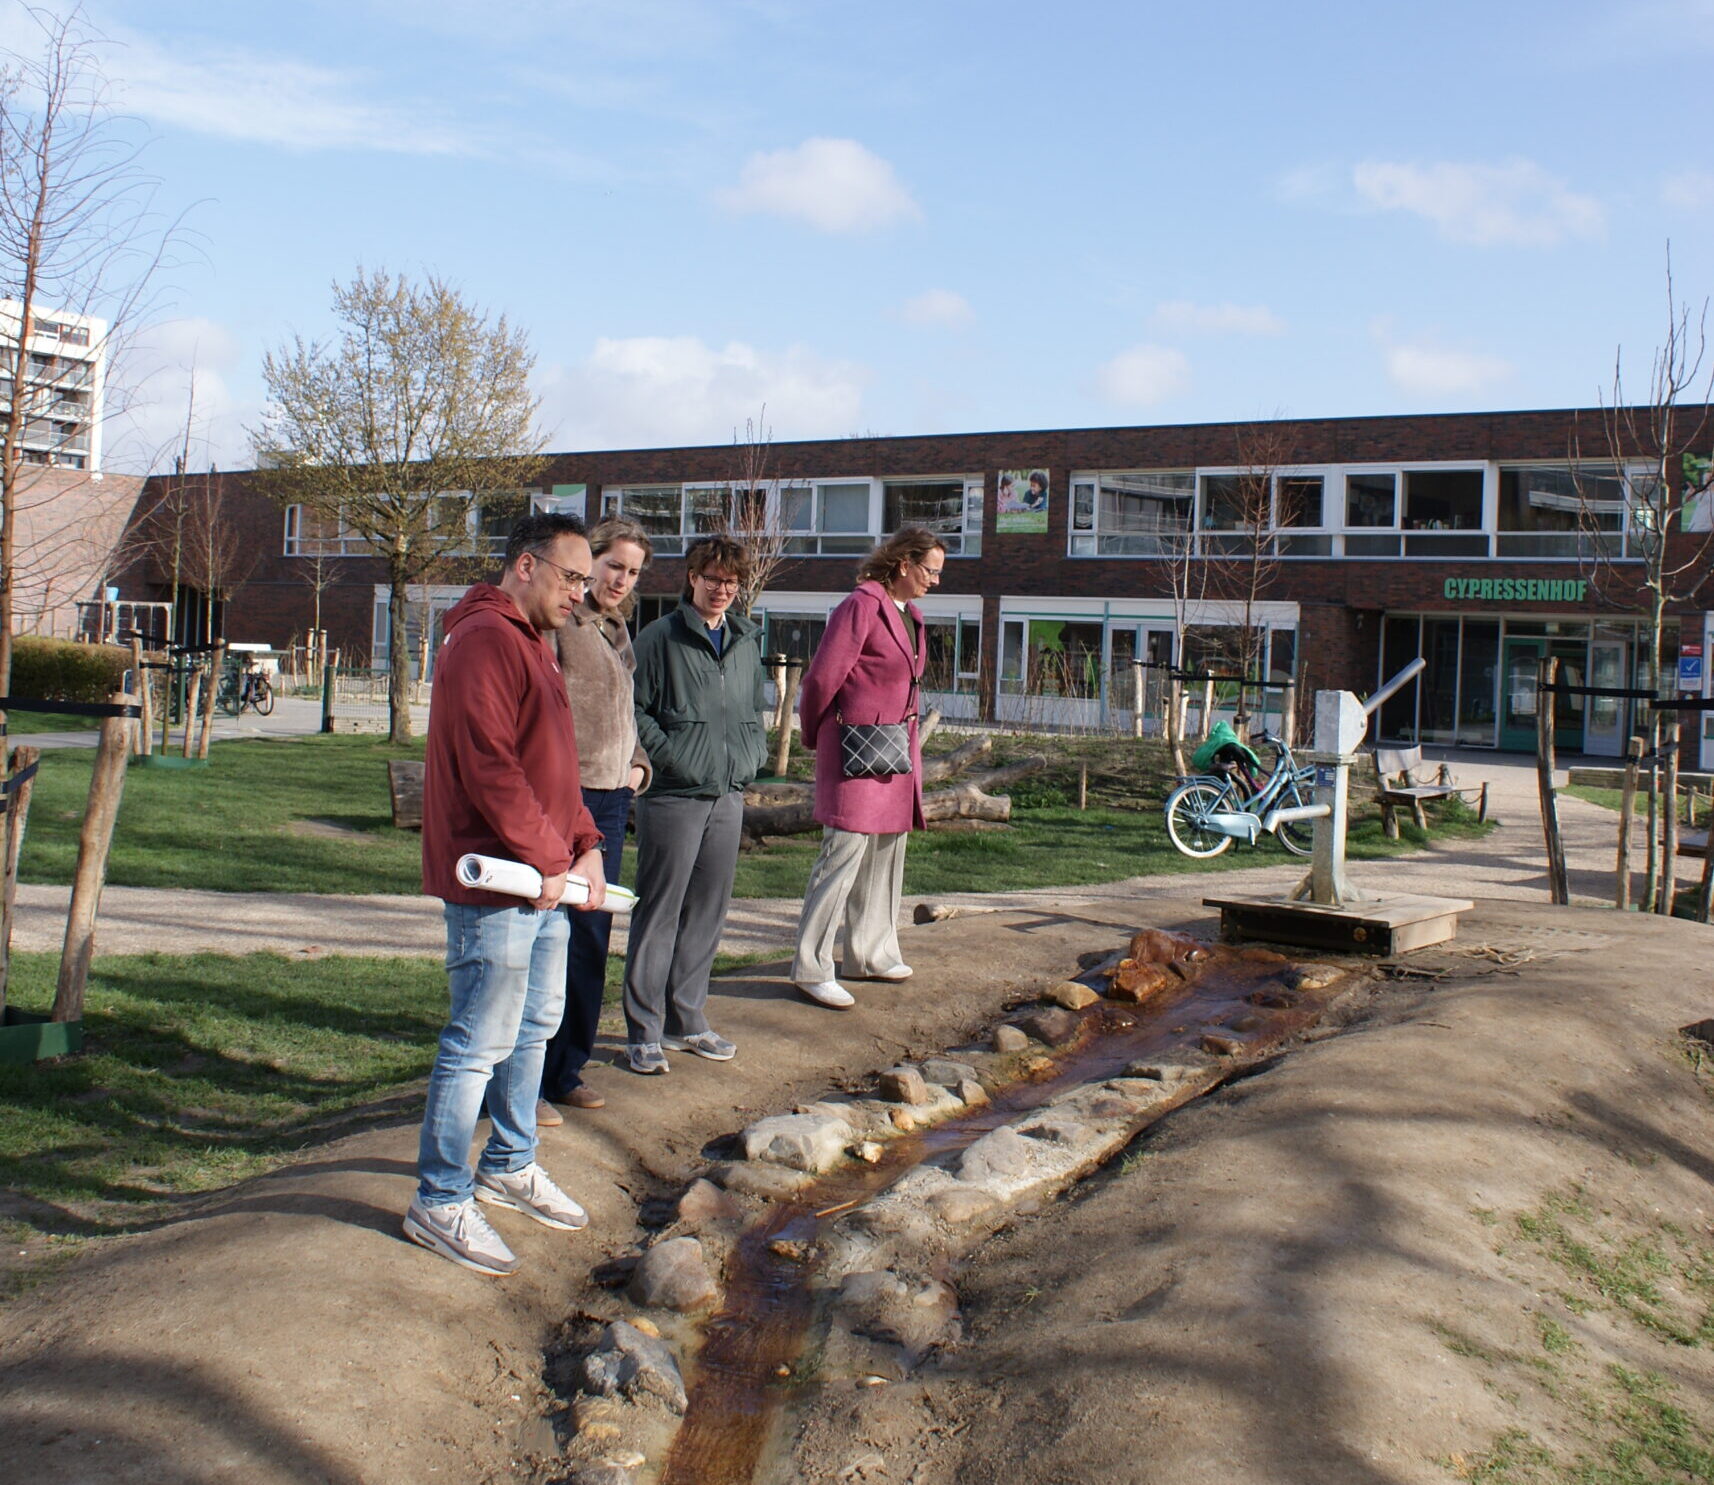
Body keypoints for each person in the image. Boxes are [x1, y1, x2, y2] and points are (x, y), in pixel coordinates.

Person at [405, 512, 608, 1277]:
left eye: (586, 582)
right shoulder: (486, 638)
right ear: (526, 565)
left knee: (534, 1024)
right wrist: (550, 853)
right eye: (571, 578)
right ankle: (441, 1194)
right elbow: (491, 765)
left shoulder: (532, 641)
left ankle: (511, 1159)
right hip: (497, 878)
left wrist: (582, 842)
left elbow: (554, 765)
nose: (580, 595)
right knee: (478, 1038)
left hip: (543, 876)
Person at [622, 535, 767, 1073]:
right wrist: (675, 760)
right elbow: (634, 712)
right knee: (659, 913)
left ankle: (690, 1022)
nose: (721, 590)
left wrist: (749, 758)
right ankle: (643, 1031)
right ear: (693, 578)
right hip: (673, 797)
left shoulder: (746, 640)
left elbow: (753, 707)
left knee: (708, 912)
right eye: (712, 579)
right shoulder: (659, 638)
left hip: (728, 796)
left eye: (730, 582)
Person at [791, 527, 943, 1008]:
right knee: (842, 858)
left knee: (885, 856)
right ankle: (811, 967)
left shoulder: (911, 615)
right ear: (903, 564)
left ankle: (870, 953)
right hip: (855, 752)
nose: (935, 581)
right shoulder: (859, 606)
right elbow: (821, 678)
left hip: (895, 753)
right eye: (930, 571)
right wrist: (815, 735)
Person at [537, 520, 654, 1124]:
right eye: (613, 565)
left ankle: (567, 1071)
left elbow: (622, 713)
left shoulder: (616, 630)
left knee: (591, 939)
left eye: (633, 572)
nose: (621, 580)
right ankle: (526, 1080)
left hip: (613, 797)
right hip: (568, 794)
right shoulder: (563, 624)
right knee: (548, 938)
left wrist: (637, 766)